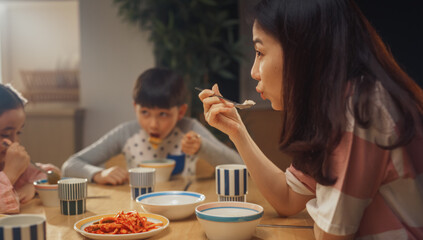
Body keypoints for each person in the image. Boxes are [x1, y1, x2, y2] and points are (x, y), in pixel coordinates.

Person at [198, 0, 423, 239]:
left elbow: (330, 235)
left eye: (260, 52)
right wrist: (237, 132)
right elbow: (287, 198)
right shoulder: (334, 106)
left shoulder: (358, 109)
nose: (254, 71)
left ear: (303, 50)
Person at [62, 67, 243, 185]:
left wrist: (201, 147)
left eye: (163, 114)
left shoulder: (190, 128)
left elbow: (241, 166)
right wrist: (98, 174)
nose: (153, 124)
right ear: (135, 108)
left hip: (184, 205)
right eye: (145, 113)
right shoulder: (127, 133)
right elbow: (70, 165)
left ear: (180, 112)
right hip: (139, 208)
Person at [0, 82, 60, 215]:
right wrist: (9, 175)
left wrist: (32, 186)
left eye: (18, 133)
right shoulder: (5, 167)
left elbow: (50, 173)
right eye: (5, 134)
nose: (15, 142)